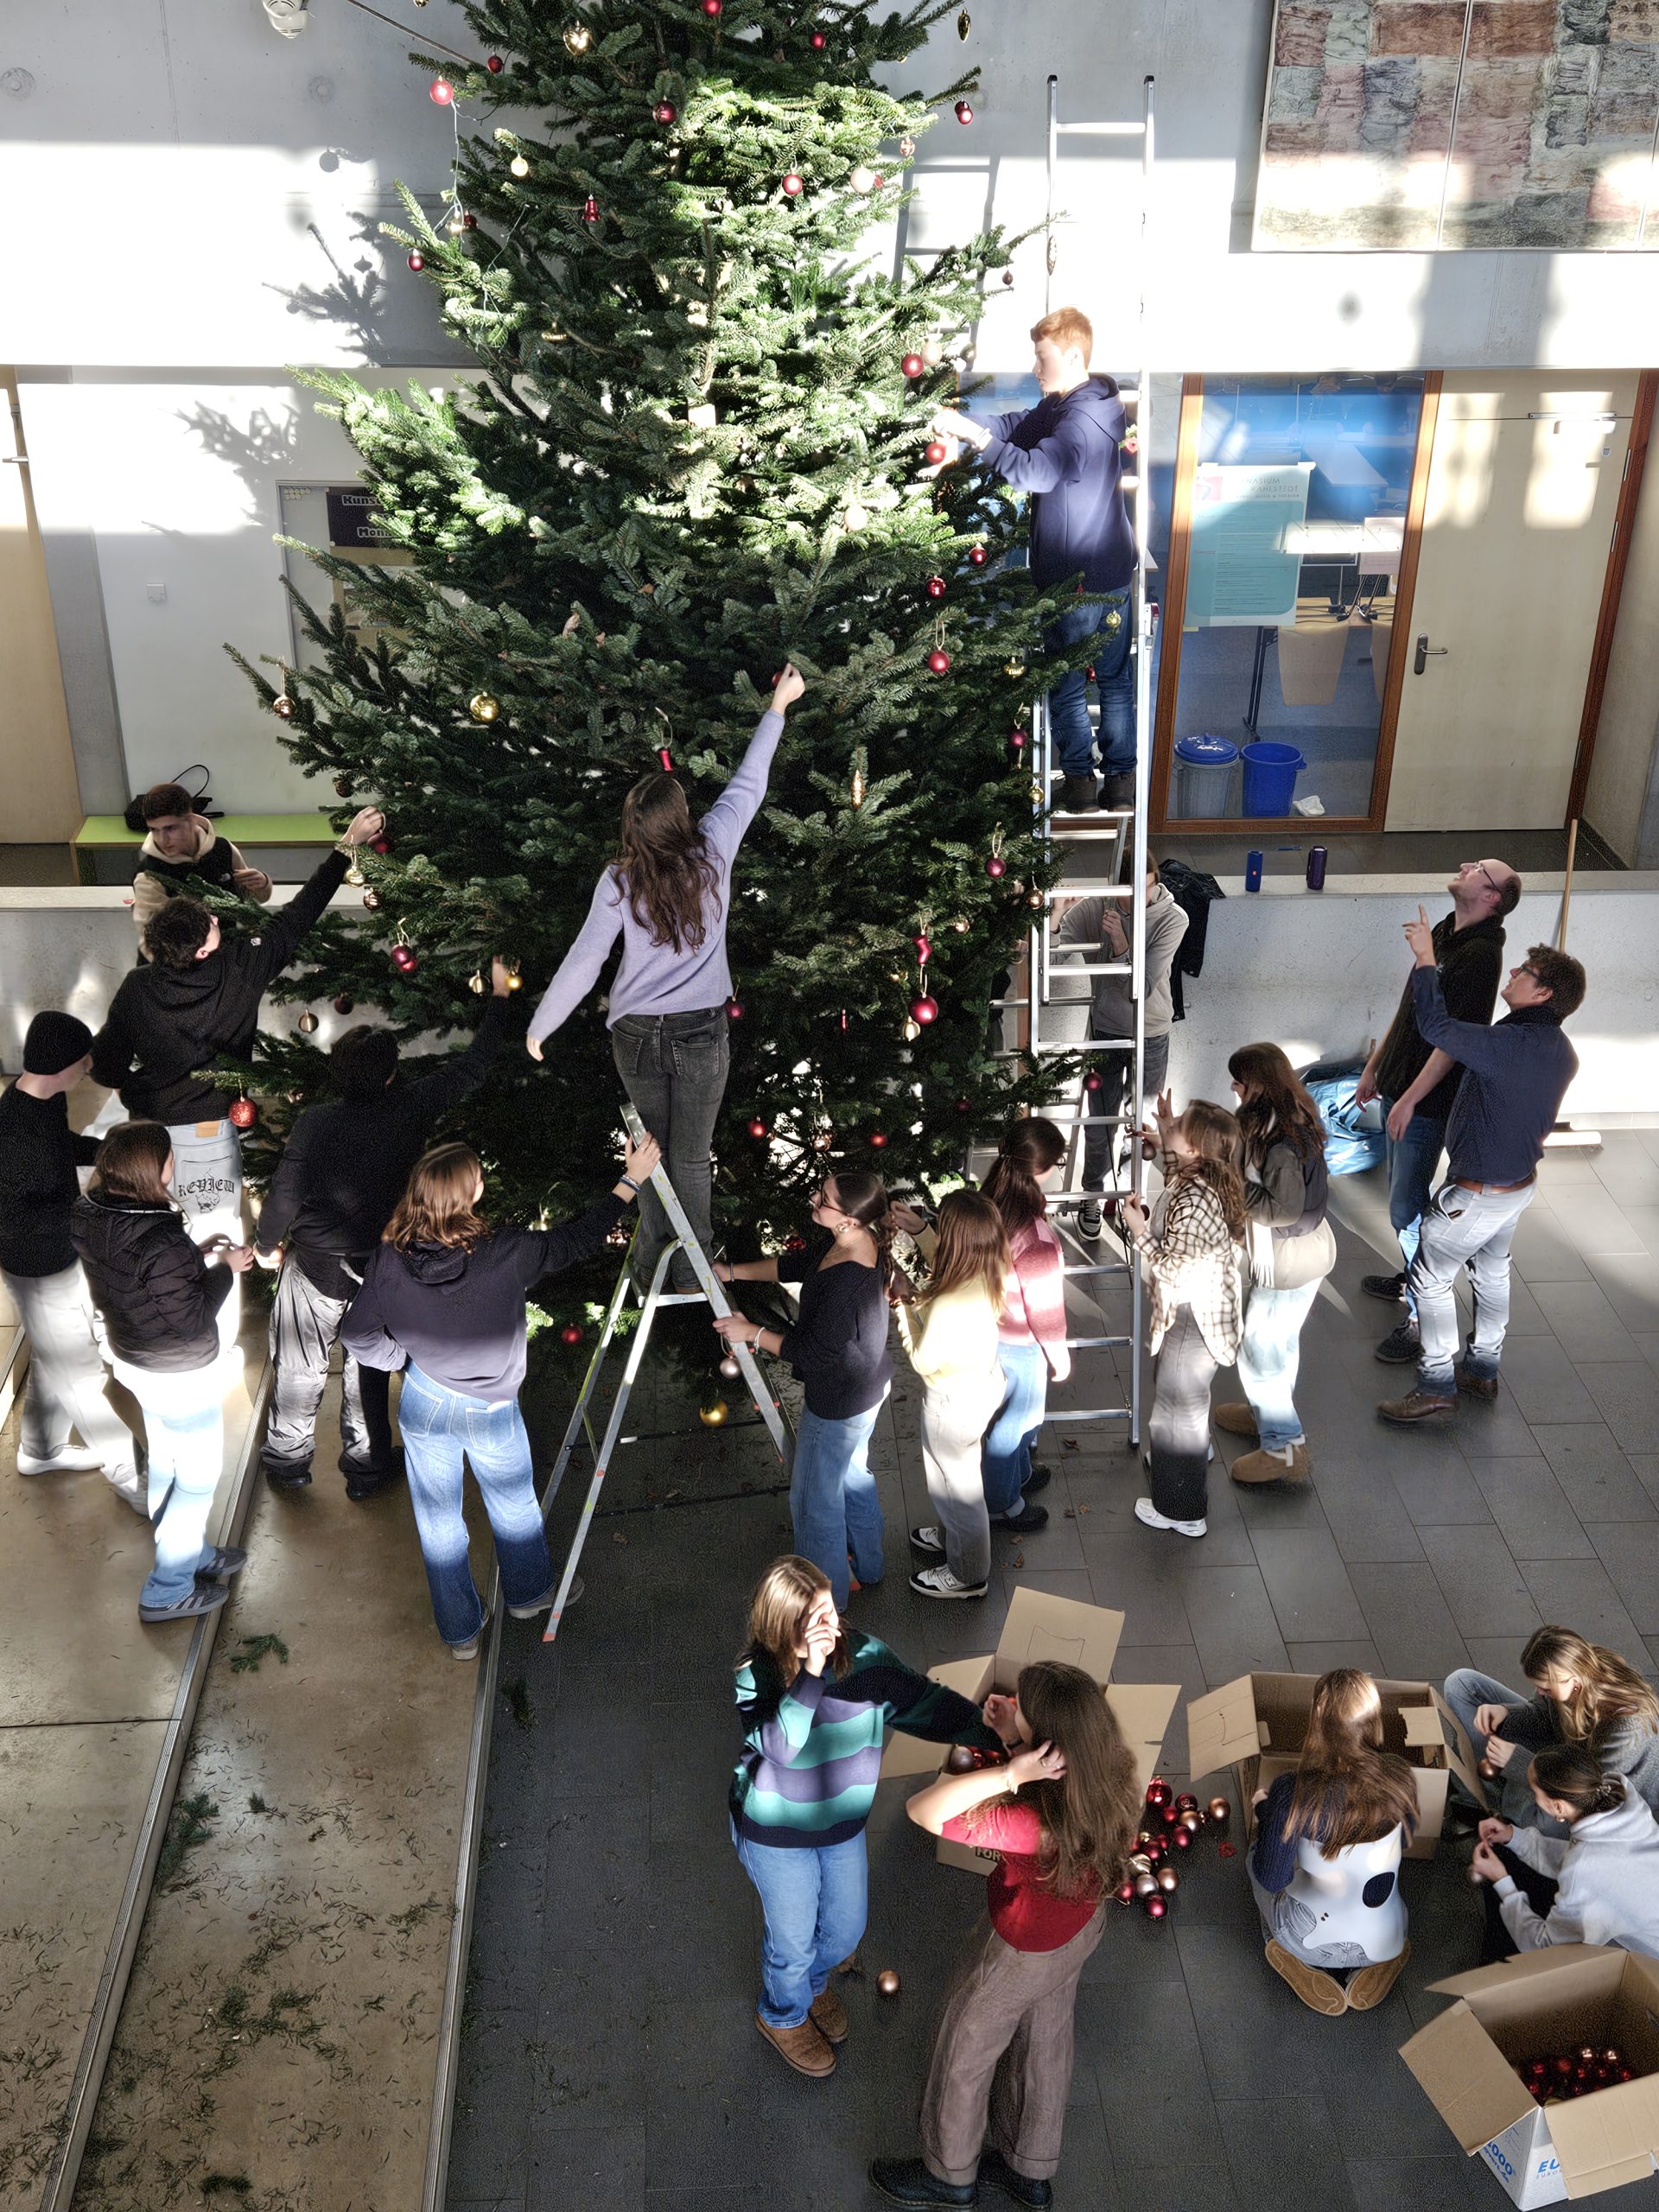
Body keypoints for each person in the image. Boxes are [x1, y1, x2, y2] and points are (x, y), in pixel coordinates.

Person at [524, 666, 806, 1288]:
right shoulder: (713, 848)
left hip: (635, 1036)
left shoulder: (619, 879)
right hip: (700, 1033)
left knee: (649, 1155)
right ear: (680, 817)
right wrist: (778, 705)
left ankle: (654, 1266)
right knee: (691, 1157)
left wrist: (542, 1024)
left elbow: (586, 959)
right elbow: (749, 782)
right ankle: (692, 1274)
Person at [340, 1130, 659, 1656]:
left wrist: (404, 1361)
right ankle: (530, 1596)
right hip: (490, 1408)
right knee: (512, 1501)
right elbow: (577, 1239)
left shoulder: (390, 1259)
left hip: (425, 1401)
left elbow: (356, 1335)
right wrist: (631, 1181)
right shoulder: (506, 1251)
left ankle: (461, 1634)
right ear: (471, 1194)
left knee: (437, 1520)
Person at [870, 1659, 1141, 2211]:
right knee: (1047, 2038)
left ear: (1048, 1748)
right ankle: (1029, 2167)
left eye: (1023, 1708)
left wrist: (1010, 1775)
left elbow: (924, 1811)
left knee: (965, 2044)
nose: (1010, 1705)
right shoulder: (1110, 1778)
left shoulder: (1028, 1822)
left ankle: (949, 2175)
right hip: (1080, 1930)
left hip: (1021, 1950)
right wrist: (1012, 1735)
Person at [731, 1555, 1007, 2080]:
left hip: (841, 1827)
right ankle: (782, 2013)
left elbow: (923, 1703)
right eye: (814, 1619)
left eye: (830, 1609)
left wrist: (994, 1734)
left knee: (844, 1930)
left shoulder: (867, 1658)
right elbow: (780, 1747)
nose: (832, 1626)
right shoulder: (756, 1674)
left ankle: (811, 1986)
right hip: (775, 1833)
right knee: (791, 1941)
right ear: (781, 1627)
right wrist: (811, 1676)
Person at [90, 805, 385, 1282]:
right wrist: (345, 847)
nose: (215, 915)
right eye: (209, 920)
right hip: (210, 1134)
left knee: (153, 1237)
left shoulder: (137, 986)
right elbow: (300, 914)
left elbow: (106, 1066)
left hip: (148, 1132)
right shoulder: (239, 969)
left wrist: (135, 1088)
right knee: (216, 1240)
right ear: (203, 950)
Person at [254, 962, 513, 1499]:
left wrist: (265, 1244)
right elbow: (474, 1066)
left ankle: (288, 1461)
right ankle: (367, 1468)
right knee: (366, 1365)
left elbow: (285, 1192)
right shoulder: (412, 1105)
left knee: (299, 1363)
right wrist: (500, 996)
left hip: (316, 1264)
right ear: (392, 1074)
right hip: (385, 1262)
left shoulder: (315, 1122)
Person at [930, 308, 1135, 815]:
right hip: (1108, 573)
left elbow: (1033, 472)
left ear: (1072, 356)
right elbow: (1018, 426)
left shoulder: (1079, 423)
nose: (1035, 367)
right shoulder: (1075, 402)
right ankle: (1120, 783)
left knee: (1067, 680)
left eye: (1043, 357)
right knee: (1113, 679)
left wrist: (978, 440)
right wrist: (966, 426)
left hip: (1074, 580)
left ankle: (1084, 784)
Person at [1377, 924, 1583, 1425]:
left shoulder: (1506, 1044)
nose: (1512, 973)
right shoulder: (1561, 1050)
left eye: (1525, 971)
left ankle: (1436, 1385)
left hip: (1475, 1195)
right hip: (1516, 1189)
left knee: (1429, 1280)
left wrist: (1426, 959)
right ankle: (1482, 1369)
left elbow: (1435, 1027)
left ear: (1543, 993)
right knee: (1491, 1272)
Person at [71, 1122, 255, 1624]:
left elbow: (139, 1276)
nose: (176, 1163)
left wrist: (197, 1256)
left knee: (168, 1464)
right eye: (171, 1157)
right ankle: (167, 1588)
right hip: (180, 1374)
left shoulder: (91, 1213)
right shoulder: (161, 1240)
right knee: (196, 1481)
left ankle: (189, 1552)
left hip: (135, 1360)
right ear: (155, 1170)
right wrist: (226, 1267)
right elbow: (192, 1317)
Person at [1355, 859, 1517, 1367]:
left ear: (1492, 897)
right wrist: (1376, 1064)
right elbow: (1410, 1004)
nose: (1466, 866)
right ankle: (1413, 1276)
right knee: (1401, 1194)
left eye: (1478, 869)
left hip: (1425, 1101)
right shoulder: (1445, 929)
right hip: (1399, 1083)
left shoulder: (1481, 956)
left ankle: (1420, 1314)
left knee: (1406, 1207)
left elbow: (1454, 1041)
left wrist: (1409, 1099)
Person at [711, 1171, 895, 1610]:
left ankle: (827, 1606)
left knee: (814, 1502)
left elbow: (813, 1355)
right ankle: (870, 1566)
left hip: (837, 1405)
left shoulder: (847, 1283)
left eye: (824, 1198)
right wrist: (732, 1272)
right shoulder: (850, 1240)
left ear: (848, 1218)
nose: (814, 1198)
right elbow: (794, 1266)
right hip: (866, 1389)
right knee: (853, 1478)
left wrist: (752, 1333)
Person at [1, 1012, 145, 1509]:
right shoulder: (14, 1135)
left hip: (61, 1255)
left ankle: (40, 1450)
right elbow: (15, 1219)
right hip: (36, 1266)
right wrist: (90, 1215)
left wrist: (106, 1152)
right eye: (83, 1059)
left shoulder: (42, 1099)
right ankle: (136, 1480)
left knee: (55, 1355)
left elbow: (59, 1147)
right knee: (81, 1374)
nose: (89, 1067)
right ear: (62, 1064)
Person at [1248, 1669, 1419, 2016]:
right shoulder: (1401, 1776)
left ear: (1318, 1721)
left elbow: (1273, 1878)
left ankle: (1292, 1958)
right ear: (1374, 1719)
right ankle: (1378, 1964)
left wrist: (1266, 1811)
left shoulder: (1293, 1791)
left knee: (1255, 1859)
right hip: (1385, 1932)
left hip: (1310, 1939)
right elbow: (1404, 1839)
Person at [1123, 1097, 1244, 1539]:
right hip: (1201, 1313)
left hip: (1192, 1317)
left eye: (1180, 1125)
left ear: (1194, 1148)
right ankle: (1179, 1462)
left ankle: (1181, 1509)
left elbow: (1176, 1269)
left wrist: (1139, 1231)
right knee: (1184, 1406)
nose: (1172, 1125)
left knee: (1176, 1413)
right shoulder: (1207, 1175)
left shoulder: (1194, 1202)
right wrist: (1164, 1131)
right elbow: (1176, 1174)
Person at [1217, 1044, 1336, 1487]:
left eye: (1240, 1081)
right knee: (1281, 1343)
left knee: (1259, 1350)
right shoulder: (1292, 1116)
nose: (1235, 1087)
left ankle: (1283, 1448)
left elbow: (1283, 1209)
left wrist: (1229, 1188)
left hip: (1286, 1260)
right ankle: (1264, 1414)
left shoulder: (1279, 1141)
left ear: (1260, 1084)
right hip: (1304, 1252)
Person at [1056, 860, 1188, 1240]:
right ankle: (1093, 1196)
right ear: (1115, 886)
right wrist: (1057, 916)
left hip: (1151, 1032)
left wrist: (1119, 944)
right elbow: (1054, 956)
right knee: (1100, 1122)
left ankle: (1132, 1200)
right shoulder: (1098, 907)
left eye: (1148, 887)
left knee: (1141, 1122)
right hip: (1105, 1030)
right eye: (1130, 891)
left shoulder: (1173, 918)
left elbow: (1140, 989)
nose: (1140, 898)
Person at [1444, 1625, 1659, 1833]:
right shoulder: (1573, 1665)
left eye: (1545, 1688)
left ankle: (1492, 1795)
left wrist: (1520, 1762)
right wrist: (1506, 1712)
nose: (1540, 1691)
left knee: (1546, 1825)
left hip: (1598, 1796)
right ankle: (1493, 1792)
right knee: (1462, 1684)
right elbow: (1544, 1713)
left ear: (1574, 1683)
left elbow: (1589, 1793)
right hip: (1563, 1751)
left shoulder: (1625, 1725)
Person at [901, 1191, 1010, 1601]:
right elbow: (949, 1266)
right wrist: (921, 1232)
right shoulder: (991, 1267)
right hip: (981, 1387)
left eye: (939, 1224)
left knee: (957, 1490)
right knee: (955, 1479)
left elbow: (922, 1360)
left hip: (951, 1404)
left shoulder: (947, 1303)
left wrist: (903, 1304)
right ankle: (953, 1536)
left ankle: (968, 1574)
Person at [1470, 1745, 1659, 1958]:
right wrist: (1513, 1836)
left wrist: (1502, 1882)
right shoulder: (1619, 1797)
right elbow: (1582, 1859)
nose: (1534, 1798)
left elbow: (1542, 1947)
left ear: (1558, 1808)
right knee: (1511, 1858)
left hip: (1649, 1960)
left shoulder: (1583, 1866)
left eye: (1535, 1794)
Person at [979, 1119, 1069, 1535]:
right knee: (1016, 1422)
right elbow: (1044, 1310)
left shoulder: (987, 1208)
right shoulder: (1035, 1238)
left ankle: (1019, 1475)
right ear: (1042, 1169)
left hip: (990, 1334)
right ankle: (1002, 1504)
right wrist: (1059, 1354)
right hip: (1023, 1344)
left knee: (1008, 1415)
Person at [130, 780, 273, 945]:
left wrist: (262, 885)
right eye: (154, 829)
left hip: (229, 952)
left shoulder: (223, 849)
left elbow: (249, 902)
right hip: (184, 959)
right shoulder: (149, 875)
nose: (163, 839)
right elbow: (152, 942)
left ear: (191, 821)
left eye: (170, 828)